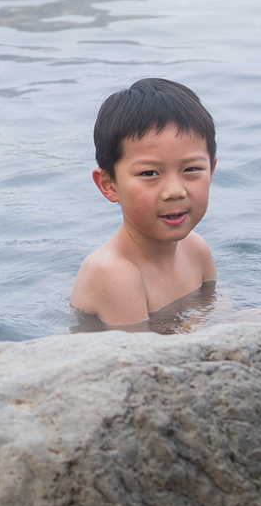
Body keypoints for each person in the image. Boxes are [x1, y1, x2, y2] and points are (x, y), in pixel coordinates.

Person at [70, 77, 218, 329]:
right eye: (149, 173)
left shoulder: (196, 249)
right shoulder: (115, 274)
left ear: (212, 170)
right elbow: (141, 361)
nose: (174, 191)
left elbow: (216, 315)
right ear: (109, 185)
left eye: (191, 169)